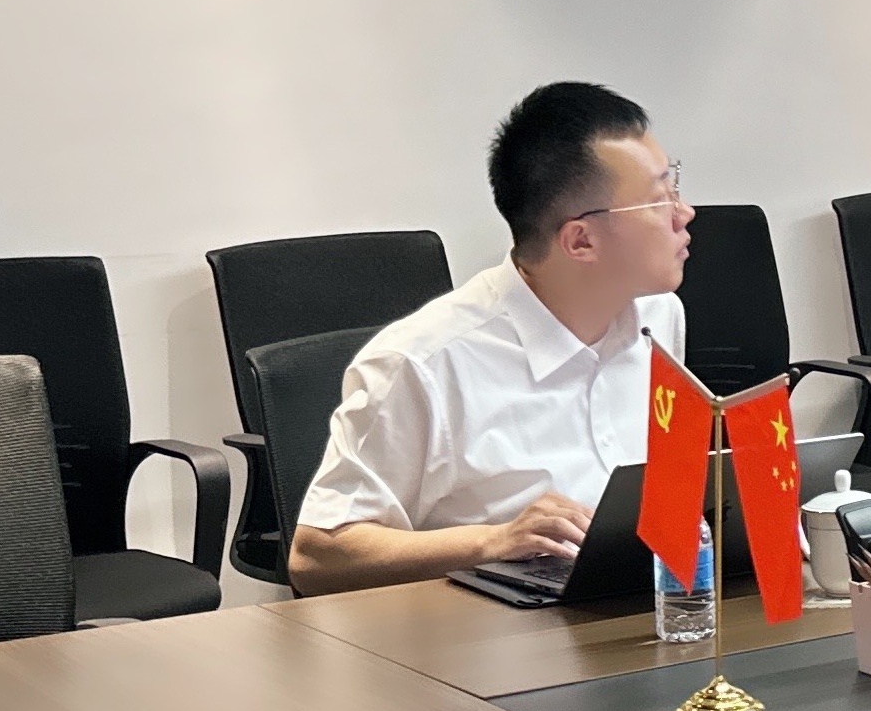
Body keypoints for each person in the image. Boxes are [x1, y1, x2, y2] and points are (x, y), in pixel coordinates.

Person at [288, 81, 690, 595]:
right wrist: (495, 541)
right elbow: (315, 555)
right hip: (487, 631)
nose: (684, 213)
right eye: (658, 201)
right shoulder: (422, 362)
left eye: (675, 187)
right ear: (581, 240)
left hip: (638, 605)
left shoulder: (659, 317)